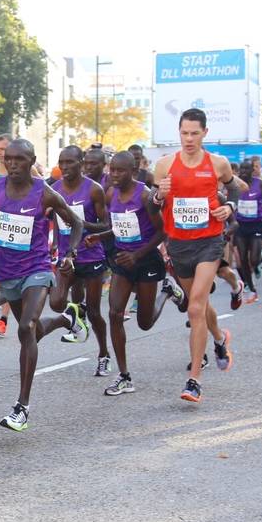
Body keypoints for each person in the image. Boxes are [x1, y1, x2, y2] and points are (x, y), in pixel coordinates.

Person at [0, 138, 86, 431]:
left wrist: (70, 253)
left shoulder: (43, 193)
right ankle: (66, 319)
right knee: (31, 330)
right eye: (8, 158)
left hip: (36, 268)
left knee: (24, 329)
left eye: (20, 159)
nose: (13, 164)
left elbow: (76, 223)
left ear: (32, 161)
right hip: (7, 271)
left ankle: (22, 406)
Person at [151, 108, 245, 404]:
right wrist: (159, 196)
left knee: (194, 308)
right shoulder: (164, 165)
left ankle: (194, 380)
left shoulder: (217, 164)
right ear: (178, 132)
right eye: (184, 133)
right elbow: (154, 206)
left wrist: (229, 208)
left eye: (194, 133)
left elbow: (236, 189)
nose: (189, 138)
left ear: (205, 133)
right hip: (179, 244)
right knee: (199, 306)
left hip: (209, 242)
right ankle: (219, 339)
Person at [97, 152, 174, 396]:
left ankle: (168, 291)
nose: (115, 175)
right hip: (123, 259)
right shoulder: (111, 194)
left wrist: (137, 255)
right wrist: (98, 237)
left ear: (133, 171)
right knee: (114, 312)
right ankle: (124, 375)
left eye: (121, 171)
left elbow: (162, 233)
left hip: (147, 259)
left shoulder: (145, 196)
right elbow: (115, 227)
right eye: (112, 170)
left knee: (144, 323)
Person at [50, 145, 111, 374]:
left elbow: (106, 225)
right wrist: (56, 241)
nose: (64, 167)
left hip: (91, 255)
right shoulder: (54, 190)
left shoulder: (94, 190)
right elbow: (56, 220)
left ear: (81, 163)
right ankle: (76, 318)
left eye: (70, 162)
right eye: (61, 162)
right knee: (56, 301)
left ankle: (104, 354)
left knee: (95, 312)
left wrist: (83, 225)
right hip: (68, 256)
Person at [232, 159, 262, 303]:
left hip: (256, 224)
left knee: (254, 259)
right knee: (243, 259)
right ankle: (252, 288)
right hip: (240, 225)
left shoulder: (261, 184)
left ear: (253, 170)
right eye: (242, 170)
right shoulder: (235, 185)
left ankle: (261, 255)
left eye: (247, 169)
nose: (244, 172)